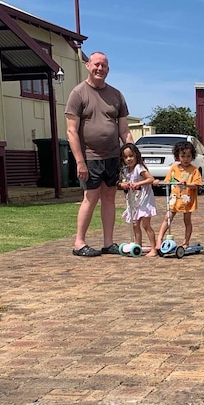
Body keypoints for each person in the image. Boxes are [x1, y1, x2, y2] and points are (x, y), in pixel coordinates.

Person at [66, 51, 133, 257]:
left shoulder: (116, 95)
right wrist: (80, 162)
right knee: (90, 197)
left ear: (108, 69)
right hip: (90, 157)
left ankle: (108, 243)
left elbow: (124, 130)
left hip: (112, 157)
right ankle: (79, 243)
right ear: (88, 66)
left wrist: (133, 157)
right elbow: (71, 131)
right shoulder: (78, 93)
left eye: (104, 66)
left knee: (109, 198)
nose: (100, 69)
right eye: (96, 64)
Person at [156, 141, 203, 251]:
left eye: (188, 156)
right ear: (178, 156)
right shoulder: (174, 168)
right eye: (183, 156)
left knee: (187, 221)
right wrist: (159, 182)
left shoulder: (194, 170)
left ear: (192, 157)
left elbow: (197, 184)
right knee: (167, 218)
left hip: (187, 200)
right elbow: (167, 181)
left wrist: (187, 184)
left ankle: (186, 242)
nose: (185, 159)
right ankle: (159, 240)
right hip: (174, 199)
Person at [118, 143, 158, 257]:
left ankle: (153, 249)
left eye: (131, 156)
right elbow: (122, 182)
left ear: (136, 155)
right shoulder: (125, 170)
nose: (129, 159)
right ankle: (138, 246)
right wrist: (123, 184)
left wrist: (138, 183)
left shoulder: (139, 168)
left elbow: (150, 179)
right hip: (134, 200)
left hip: (144, 199)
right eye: (125, 157)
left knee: (146, 224)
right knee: (135, 224)